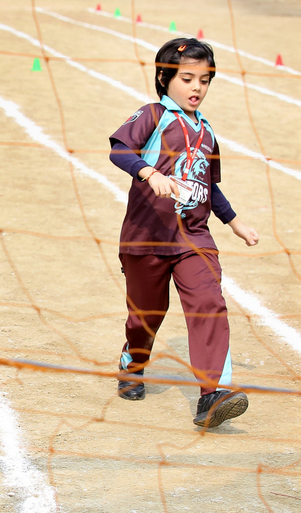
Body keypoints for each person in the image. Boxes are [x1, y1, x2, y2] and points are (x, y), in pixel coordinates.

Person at [109, 37, 259, 428]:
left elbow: (210, 185)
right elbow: (120, 149)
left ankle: (213, 394)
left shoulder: (207, 132)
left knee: (209, 302)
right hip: (146, 238)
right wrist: (149, 171)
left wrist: (234, 221)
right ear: (164, 76)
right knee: (146, 314)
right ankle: (133, 361)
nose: (197, 88)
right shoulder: (154, 115)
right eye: (188, 78)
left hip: (194, 237)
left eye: (205, 80)